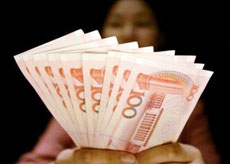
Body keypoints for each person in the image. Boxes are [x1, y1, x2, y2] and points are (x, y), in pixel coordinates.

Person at [16, 0, 221, 163]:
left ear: (160, 35)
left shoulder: (190, 107)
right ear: (101, 36)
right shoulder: (77, 100)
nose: (128, 33)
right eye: (116, 23)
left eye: (142, 23)